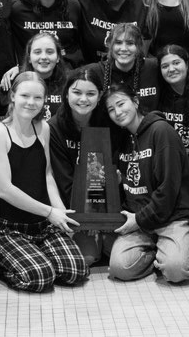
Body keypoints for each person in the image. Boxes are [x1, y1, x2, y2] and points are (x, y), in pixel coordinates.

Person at [0, 72, 88, 292]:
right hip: (8, 228)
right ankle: (3, 259)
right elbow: (5, 191)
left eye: (38, 98)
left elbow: (48, 174)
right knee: (39, 277)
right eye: (24, 96)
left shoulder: (43, 128)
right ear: (12, 96)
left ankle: (33, 254)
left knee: (76, 271)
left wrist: (61, 213)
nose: (31, 103)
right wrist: (50, 212)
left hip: (42, 225)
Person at [104, 84, 189, 283]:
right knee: (119, 268)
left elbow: (168, 190)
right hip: (140, 221)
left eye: (121, 104)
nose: (118, 112)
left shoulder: (161, 130)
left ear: (136, 101)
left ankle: (175, 253)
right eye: (111, 109)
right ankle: (160, 253)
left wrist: (139, 219)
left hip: (173, 217)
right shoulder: (121, 138)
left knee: (176, 271)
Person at [48, 68, 110, 264]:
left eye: (90, 94)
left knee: (108, 255)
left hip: (105, 204)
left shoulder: (107, 122)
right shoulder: (54, 127)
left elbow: (105, 172)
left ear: (100, 96)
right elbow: (64, 180)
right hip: (72, 206)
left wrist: (97, 214)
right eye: (77, 92)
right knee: (86, 258)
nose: (83, 99)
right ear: (66, 94)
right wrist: (87, 216)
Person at [10, 0, 83, 68]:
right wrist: (17, 67)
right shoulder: (18, 10)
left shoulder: (73, 6)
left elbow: (80, 44)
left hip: (69, 72)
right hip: (33, 74)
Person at [85, 23, 160, 114]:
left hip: (146, 126)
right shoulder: (95, 71)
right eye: (118, 43)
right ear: (110, 46)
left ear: (139, 47)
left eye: (130, 43)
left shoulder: (153, 67)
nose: (124, 48)